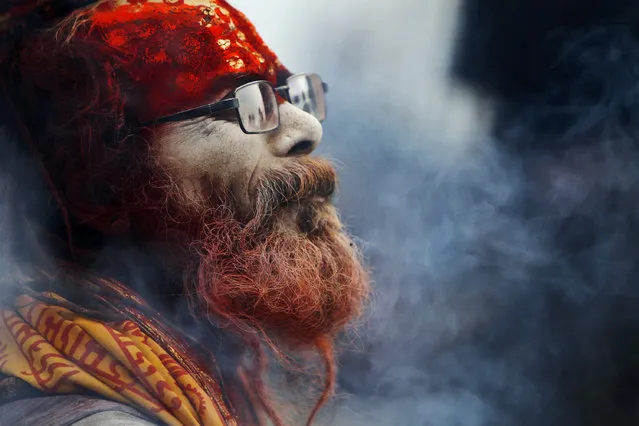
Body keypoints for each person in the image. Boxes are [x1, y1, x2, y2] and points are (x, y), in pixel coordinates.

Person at [0, 0, 370, 425]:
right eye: (241, 102)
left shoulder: (200, 363)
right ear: (105, 178)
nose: (309, 128)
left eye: (290, 95)